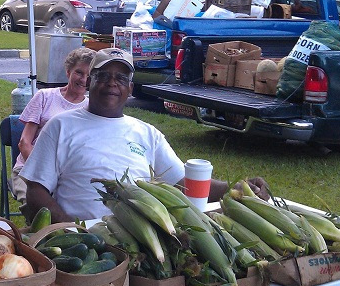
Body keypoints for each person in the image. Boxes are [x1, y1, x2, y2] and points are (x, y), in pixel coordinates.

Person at [19, 48, 268, 223]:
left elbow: (182, 183)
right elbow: (35, 190)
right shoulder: (60, 126)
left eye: (120, 78)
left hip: (139, 237)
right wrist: (70, 226)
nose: (111, 83)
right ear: (90, 82)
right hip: (84, 238)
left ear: (130, 88)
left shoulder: (147, 133)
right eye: (103, 76)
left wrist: (236, 189)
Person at [11, 47, 95, 204]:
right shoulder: (45, 97)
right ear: (68, 72)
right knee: (38, 207)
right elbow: (24, 143)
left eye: (89, 76)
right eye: (79, 72)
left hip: (70, 175)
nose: (84, 79)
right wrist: (45, 172)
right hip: (31, 170)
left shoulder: (92, 107)